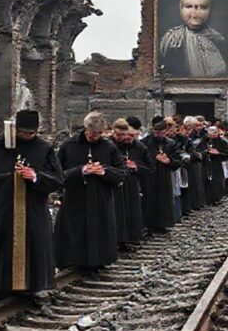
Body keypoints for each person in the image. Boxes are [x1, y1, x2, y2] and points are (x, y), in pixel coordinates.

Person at [0, 110, 63, 305]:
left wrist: (35, 177)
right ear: (14, 129)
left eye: (32, 133)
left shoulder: (44, 149)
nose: (28, 137)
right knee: (0, 246)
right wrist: (6, 178)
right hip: (0, 210)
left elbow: (57, 179)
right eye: (24, 133)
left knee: (32, 246)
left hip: (32, 210)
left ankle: (31, 286)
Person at [54, 112, 126, 270]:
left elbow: (121, 173)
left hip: (100, 198)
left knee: (99, 231)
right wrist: (80, 171)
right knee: (75, 231)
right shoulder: (68, 146)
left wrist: (104, 171)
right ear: (86, 129)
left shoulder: (109, 147)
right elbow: (57, 174)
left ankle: (98, 261)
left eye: (100, 133)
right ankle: (73, 261)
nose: (97, 137)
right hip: (75, 197)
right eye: (94, 133)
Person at [160, 0, 228, 78]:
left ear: (210, 10)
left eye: (203, 7)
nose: (196, 12)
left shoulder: (219, 40)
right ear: (181, 9)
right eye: (189, 6)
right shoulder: (171, 40)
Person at [111, 119, 152, 246]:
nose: (127, 139)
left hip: (132, 184)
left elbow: (150, 168)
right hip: (116, 184)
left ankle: (130, 239)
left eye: (131, 136)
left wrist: (136, 167)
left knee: (131, 212)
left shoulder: (140, 148)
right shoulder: (112, 146)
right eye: (125, 136)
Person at [141, 121, 182, 230]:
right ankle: (149, 224)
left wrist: (169, 161)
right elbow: (142, 158)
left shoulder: (170, 143)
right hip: (150, 175)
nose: (157, 135)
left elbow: (178, 159)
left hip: (164, 175)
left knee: (164, 199)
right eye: (156, 132)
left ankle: (163, 223)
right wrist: (155, 158)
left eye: (161, 133)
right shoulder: (145, 142)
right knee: (150, 198)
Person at [197, 126, 228, 205]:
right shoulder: (205, 140)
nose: (212, 136)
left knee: (217, 181)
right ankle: (208, 199)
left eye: (214, 134)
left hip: (217, 163)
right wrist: (206, 152)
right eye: (210, 135)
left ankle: (217, 198)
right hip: (207, 163)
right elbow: (200, 150)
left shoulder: (222, 141)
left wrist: (218, 153)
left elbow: (227, 153)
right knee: (207, 181)